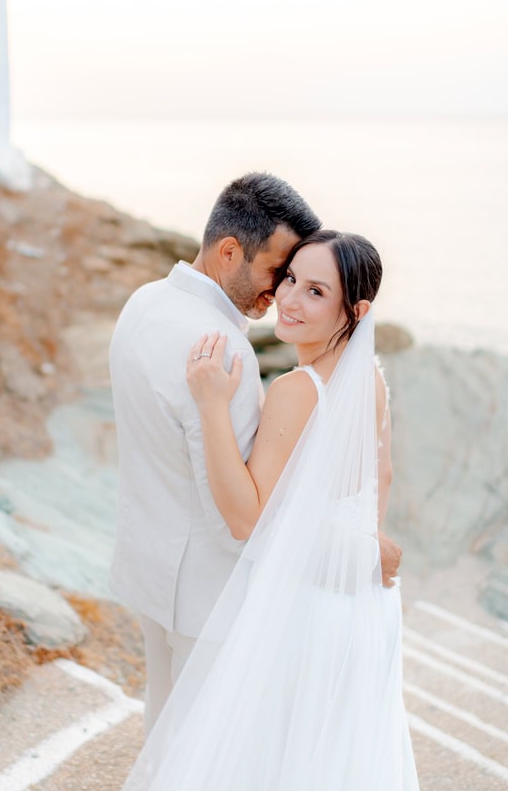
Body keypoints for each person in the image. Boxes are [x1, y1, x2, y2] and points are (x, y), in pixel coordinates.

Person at [97, 229, 426, 791]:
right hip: (363, 606)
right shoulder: (371, 379)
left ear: (354, 312)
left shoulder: (297, 390)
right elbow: (377, 480)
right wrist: (356, 548)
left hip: (305, 605)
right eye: (291, 279)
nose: (290, 300)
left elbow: (247, 517)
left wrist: (212, 404)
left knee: (263, 774)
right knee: (334, 769)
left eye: (315, 290)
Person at [109, 174, 401, 733]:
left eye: (309, 285)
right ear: (228, 252)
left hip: (148, 563)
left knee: (166, 730)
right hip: (209, 591)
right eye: (280, 272)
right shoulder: (226, 353)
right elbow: (246, 516)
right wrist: (360, 551)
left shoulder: (143, 303)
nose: (280, 295)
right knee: (207, 755)